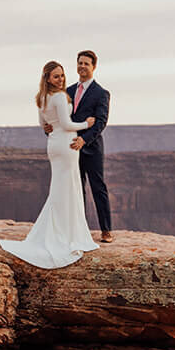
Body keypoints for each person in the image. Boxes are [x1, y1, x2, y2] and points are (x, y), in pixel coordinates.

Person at [0, 61, 99, 268]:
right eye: (56, 76)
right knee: (68, 188)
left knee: (60, 188)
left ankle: (57, 231)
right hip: (67, 144)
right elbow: (67, 124)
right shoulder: (60, 97)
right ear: (47, 78)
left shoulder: (41, 98)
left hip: (54, 145)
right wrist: (86, 125)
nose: (61, 79)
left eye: (62, 75)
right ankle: (67, 234)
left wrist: (52, 126)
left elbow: (43, 124)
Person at [45, 49, 112, 241]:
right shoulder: (69, 91)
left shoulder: (101, 93)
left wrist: (84, 139)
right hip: (69, 147)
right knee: (76, 188)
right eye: (80, 63)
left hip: (91, 147)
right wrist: (48, 128)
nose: (82, 66)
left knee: (98, 187)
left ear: (94, 67)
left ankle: (106, 230)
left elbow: (101, 122)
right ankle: (78, 230)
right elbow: (59, 117)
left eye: (86, 64)